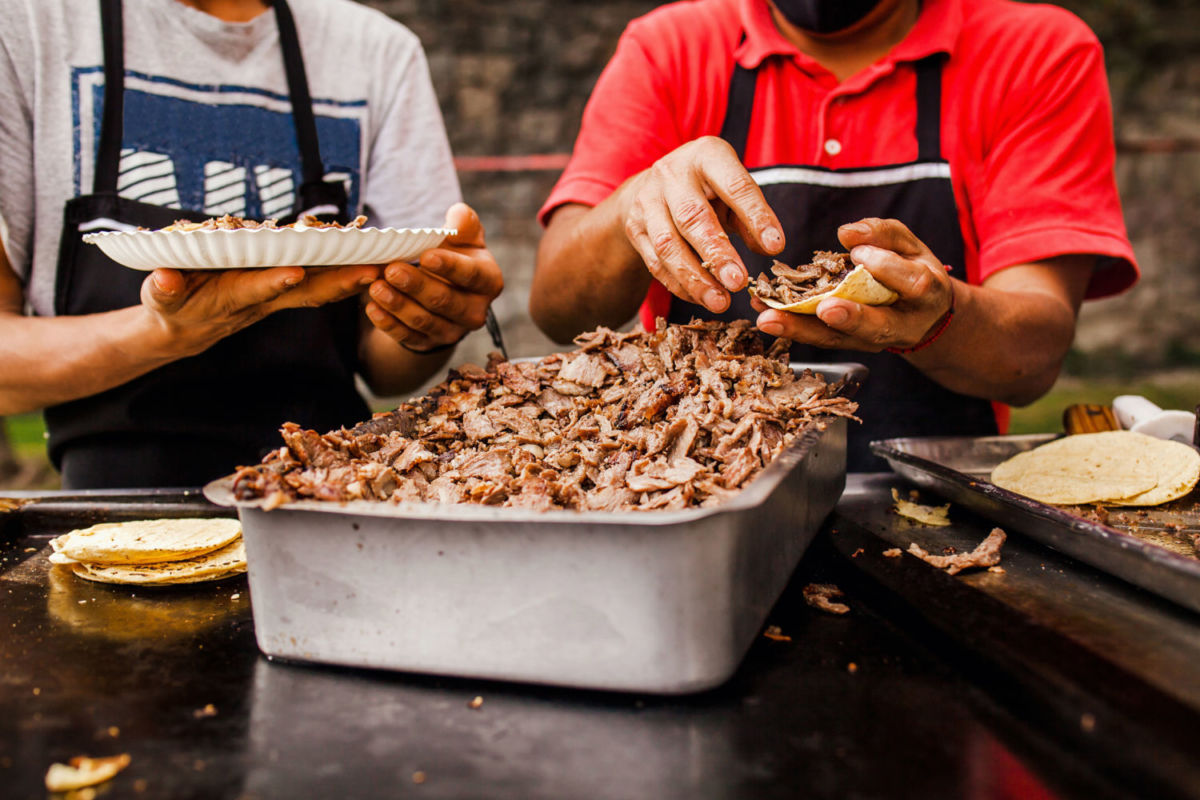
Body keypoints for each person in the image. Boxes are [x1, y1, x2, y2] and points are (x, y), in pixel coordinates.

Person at [530, 0, 1139, 470]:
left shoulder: (1034, 51)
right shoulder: (671, 47)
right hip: (705, 485)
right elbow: (557, 308)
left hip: (925, 489)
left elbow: (1031, 357)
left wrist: (939, 314)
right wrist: (632, 204)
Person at [0, 0, 504, 488]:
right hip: (110, 508)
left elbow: (385, 367)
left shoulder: (378, 50)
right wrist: (161, 332)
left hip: (328, 491)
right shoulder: (26, 26)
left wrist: (432, 315)